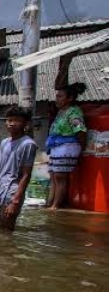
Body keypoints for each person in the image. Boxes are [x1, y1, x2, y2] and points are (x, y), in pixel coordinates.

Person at [0, 107, 38, 231]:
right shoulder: (5, 142)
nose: (12, 123)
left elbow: (26, 175)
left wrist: (15, 201)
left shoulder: (28, 144)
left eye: (16, 120)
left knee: (6, 229)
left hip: (12, 192)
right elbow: (0, 171)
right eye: (9, 120)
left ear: (25, 123)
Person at [46, 82, 88, 210]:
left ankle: (55, 206)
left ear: (70, 98)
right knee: (53, 176)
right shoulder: (61, 111)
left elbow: (80, 131)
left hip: (67, 147)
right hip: (56, 146)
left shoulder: (74, 112)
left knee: (60, 177)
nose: (57, 99)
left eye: (60, 96)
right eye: (57, 96)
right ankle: (50, 203)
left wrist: (82, 148)